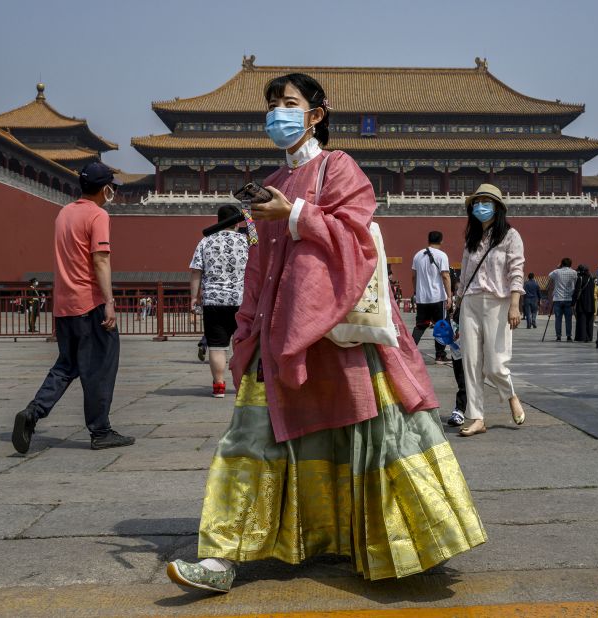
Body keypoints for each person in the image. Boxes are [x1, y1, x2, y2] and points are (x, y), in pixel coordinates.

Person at [166, 73, 485, 594]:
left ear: (316, 113)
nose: (277, 114)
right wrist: (248, 328)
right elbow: (259, 266)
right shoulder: (272, 179)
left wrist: (293, 213)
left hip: (341, 336)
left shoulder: (338, 168)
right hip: (280, 334)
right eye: (271, 105)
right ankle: (221, 557)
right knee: (249, 440)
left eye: (289, 104)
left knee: (372, 437)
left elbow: (357, 237)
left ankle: (399, 543)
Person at [11, 162, 134, 454]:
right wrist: (109, 303)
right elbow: (100, 260)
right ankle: (100, 431)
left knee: (67, 366)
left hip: (64, 305)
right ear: (105, 188)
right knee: (100, 368)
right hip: (89, 303)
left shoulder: (64, 213)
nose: (112, 192)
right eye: (112, 187)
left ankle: (32, 412)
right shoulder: (98, 215)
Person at [454, 184, 527, 437]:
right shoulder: (471, 239)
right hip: (470, 302)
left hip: (498, 302)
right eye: (477, 203)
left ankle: (510, 395)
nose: (480, 207)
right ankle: (476, 417)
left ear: (497, 207)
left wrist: (515, 305)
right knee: (471, 363)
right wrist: (457, 301)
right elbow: (464, 274)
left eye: (486, 202)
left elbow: (516, 271)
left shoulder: (510, 236)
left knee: (495, 365)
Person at [190, 204, 250, 397]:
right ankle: (242, 387)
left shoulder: (206, 242)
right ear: (236, 222)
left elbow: (196, 271)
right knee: (241, 345)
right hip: (242, 300)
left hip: (214, 302)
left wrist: (194, 297)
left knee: (217, 346)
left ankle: (219, 386)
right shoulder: (246, 241)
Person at [410, 231, 452, 363]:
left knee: (420, 326)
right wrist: (449, 296)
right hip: (438, 297)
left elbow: (413, 276)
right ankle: (440, 355)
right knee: (442, 325)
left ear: (428, 240)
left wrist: (416, 292)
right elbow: (445, 276)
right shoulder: (442, 256)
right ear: (441, 241)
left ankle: (408, 353)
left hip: (422, 298)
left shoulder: (417, 255)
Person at [548, 257, 577, 342]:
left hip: (558, 299)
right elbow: (576, 281)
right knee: (569, 319)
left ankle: (558, 336)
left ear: (561, 264)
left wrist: (558, 267)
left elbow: (550, 275)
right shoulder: (574, 272)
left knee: (558, 319)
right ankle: (568, 336)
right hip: (569, 299)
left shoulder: (557, 272)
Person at [573, 264, 596, 342]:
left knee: (581, 321)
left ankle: (582, 337)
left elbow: (576, 291)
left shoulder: (580, 278)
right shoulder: (591, 278)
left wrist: (573, 302)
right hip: (591, 303)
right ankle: (589, 337)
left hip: (582, 302)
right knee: (589, 322)